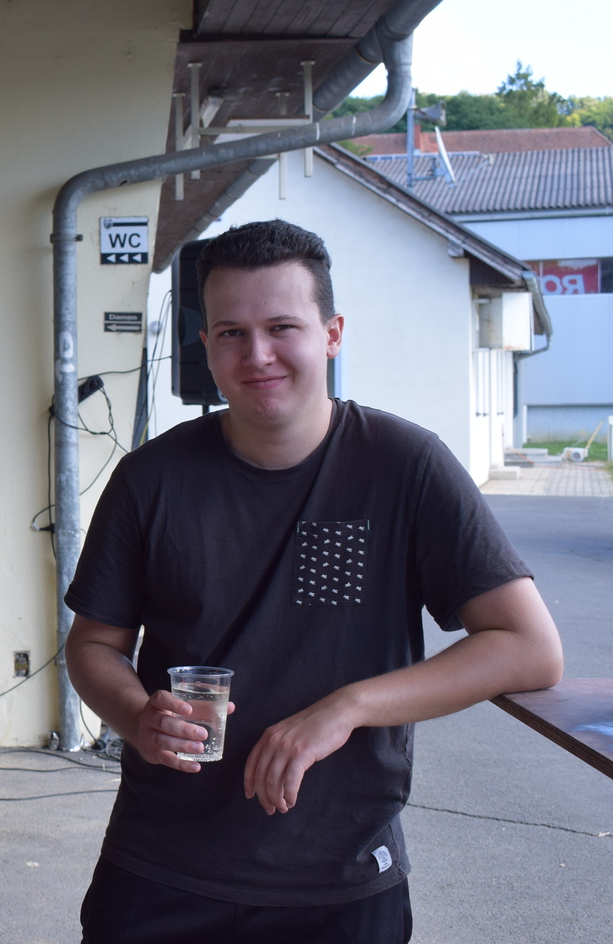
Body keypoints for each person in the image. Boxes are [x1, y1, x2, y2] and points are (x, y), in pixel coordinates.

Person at [64, 218, 562, 943]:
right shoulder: (151, 478)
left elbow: (528, 647)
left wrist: (350, 706)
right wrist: (138, 717)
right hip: (160, 867)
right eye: (231, 333)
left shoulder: (405, 466)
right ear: (205, 347)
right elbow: (93, 646)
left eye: (282, 327)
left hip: (341, 875)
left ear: (332, 334)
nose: (257, 354)